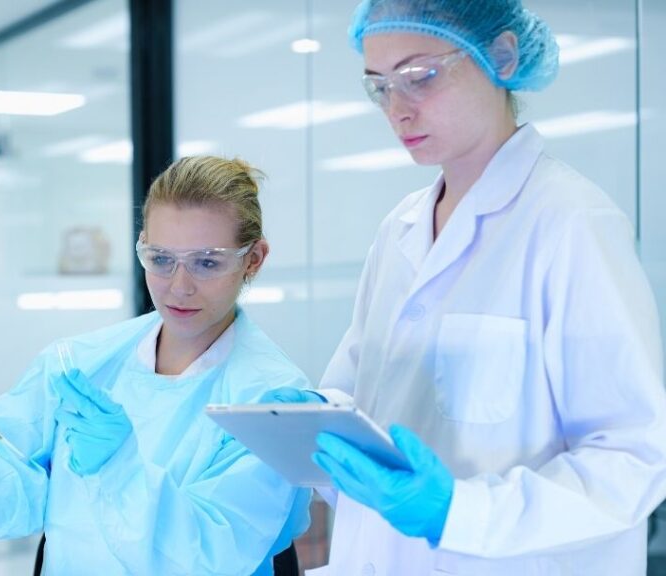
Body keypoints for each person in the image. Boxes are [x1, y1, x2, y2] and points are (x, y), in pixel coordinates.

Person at [267, 1, 666, 574]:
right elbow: (370, 395)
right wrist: (318, 415)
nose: (397, 111)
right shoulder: (400, 228)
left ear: (501, 56)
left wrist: (458, 512)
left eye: (419, 77)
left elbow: (632, 457)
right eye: (379, 87)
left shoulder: (570, 223)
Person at [0, 155, 312, 575]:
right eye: (161, 259)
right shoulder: (80, 365)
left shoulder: (270, 398)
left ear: (253, 259)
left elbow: (213, 555)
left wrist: (118, 467)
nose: (179, 286)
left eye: (207, 263)